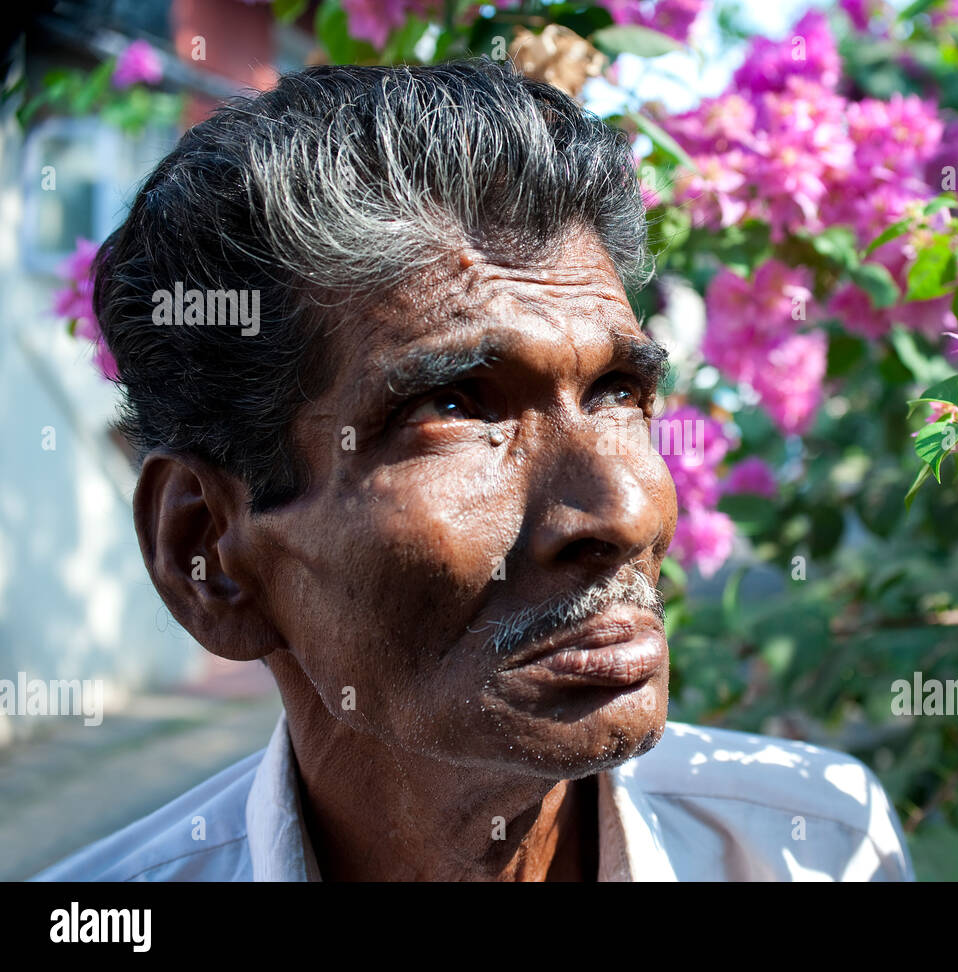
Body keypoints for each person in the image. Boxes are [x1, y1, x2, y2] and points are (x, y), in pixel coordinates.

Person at [33, 60, 913, 882]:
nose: (625, 514)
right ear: (207, 553)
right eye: (456, 408)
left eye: (617, 391)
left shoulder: (818, 847)